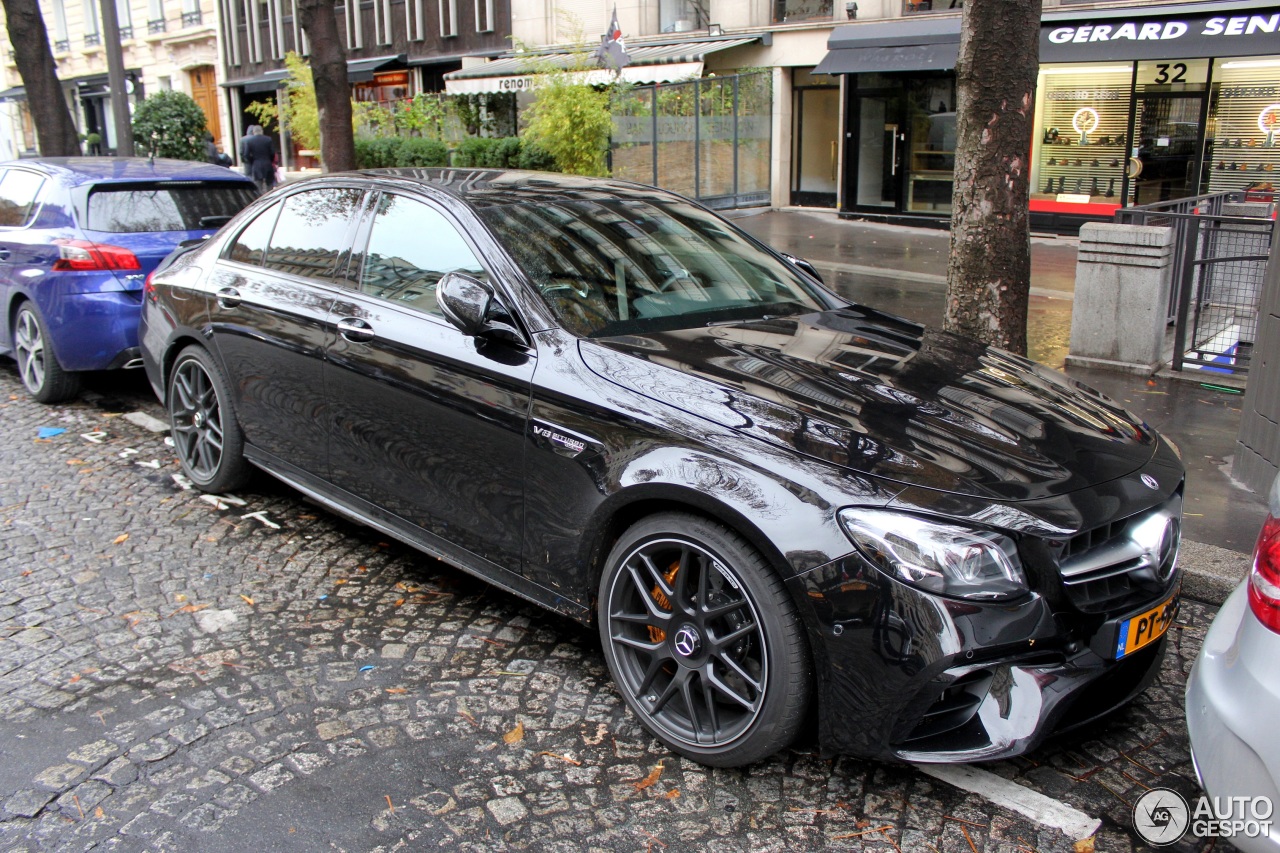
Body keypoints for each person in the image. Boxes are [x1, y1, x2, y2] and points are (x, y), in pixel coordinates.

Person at [241, 125, 277, 194]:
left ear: (253, 132)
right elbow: (272, 153)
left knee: (258, 186)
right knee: (269, 185)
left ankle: (260, 199)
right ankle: (270, 198)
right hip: (267, 163)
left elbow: (246, 155)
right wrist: (270, 160)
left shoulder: (249, 141)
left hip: (256, 164)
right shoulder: (268, 139)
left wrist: (252, 161)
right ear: (262, 131)